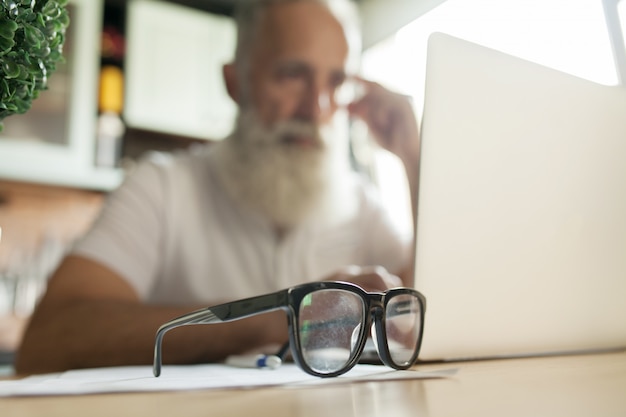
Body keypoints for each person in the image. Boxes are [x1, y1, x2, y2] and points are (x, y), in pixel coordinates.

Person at [15, 0, 420, 374]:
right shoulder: (161, 188)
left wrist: (413, 157)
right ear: (235, 82)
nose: (316, 109)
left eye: (336, 83)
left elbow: (420, 312)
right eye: (292, 75)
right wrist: (285, 317)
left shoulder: (361, 204)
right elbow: (49, 339)